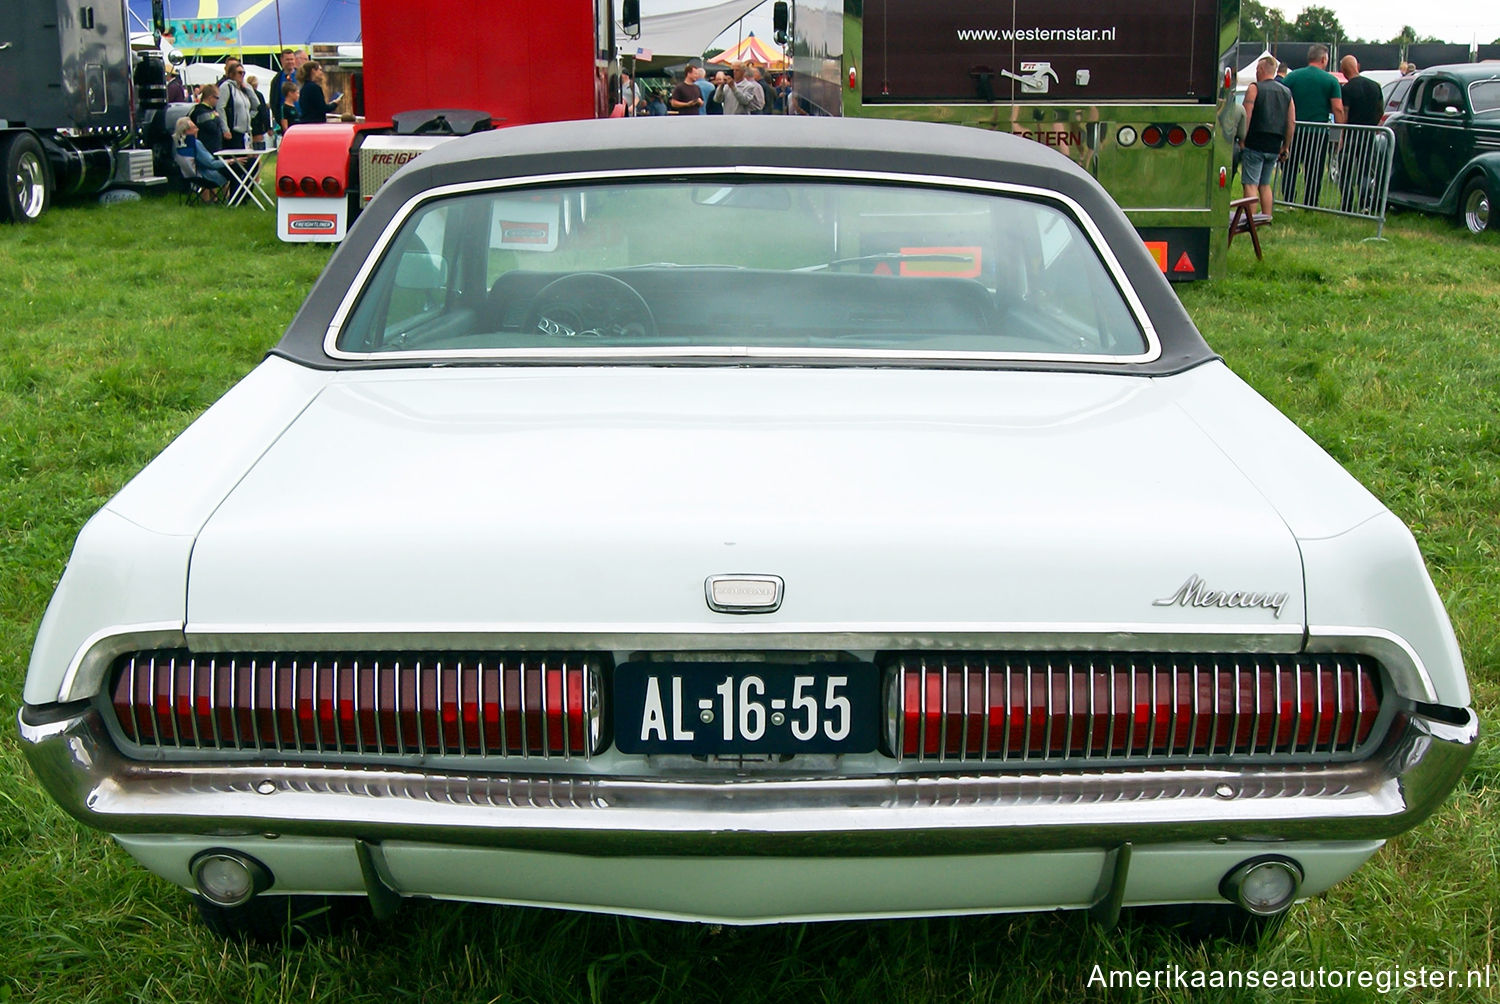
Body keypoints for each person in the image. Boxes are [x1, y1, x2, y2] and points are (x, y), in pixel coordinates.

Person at [1281, 44, 1344, 206]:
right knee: (1314, 169)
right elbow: (1337, 108)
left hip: (1293, 131)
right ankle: (1310, 202)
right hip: (1318, 133)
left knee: (1290, 167)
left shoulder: (1292, 77)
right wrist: (1340, 134)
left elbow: (1282, 101)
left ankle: (1288, 199)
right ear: (1323, 59)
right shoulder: (1331, 80)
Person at [1241, 55, 1294, 223]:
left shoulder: (1254, 88)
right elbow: (1291, 121)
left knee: (1250, 184)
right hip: (1274, 145)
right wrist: (1286, 146)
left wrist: (1242, 138)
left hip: (1254, 142)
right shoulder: (1287, 92)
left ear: (1262, 70)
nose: (1256, 73)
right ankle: (1267, 218)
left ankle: (1250, 221)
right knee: (1265, 184)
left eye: (1257, 70)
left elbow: (1246, 115)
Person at [1337, 55, 1384, 214]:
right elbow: (1380, 110)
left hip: (1351, 135)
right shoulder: (1375, 86)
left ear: (1343, 71)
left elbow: (1345, 113)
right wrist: (1374, 125)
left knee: (1345, 172)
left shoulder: (1347, 89)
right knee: (1365, 171)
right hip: (1369, 134)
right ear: (1357, 66)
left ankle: (1347, 203)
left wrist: (1341, 136)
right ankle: (1365, 203)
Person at [172, 116, 227, 199]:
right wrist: (229, 162)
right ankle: (232, 200)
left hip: (187, 176)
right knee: (232, 170)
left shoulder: (177, 144)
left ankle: (211, 200)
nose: (197, 129)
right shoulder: (195, 143)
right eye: (194, 128)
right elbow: (211, 164)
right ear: (186, 131)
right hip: (204, 177)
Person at [218, 62, 254, 149]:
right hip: (233, 131)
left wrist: (248, 88)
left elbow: (256, 105)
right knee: (238, 159)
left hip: (245, 132)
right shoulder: (226, 87)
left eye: (243, 73)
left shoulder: (242, 89)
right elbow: (220, 108)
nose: (242, 75)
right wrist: (225, 129)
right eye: (239, 72)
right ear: (232, 74)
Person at [188, 82, 229, 153]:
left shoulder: (210, 110)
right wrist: (217, 118)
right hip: (207, 149)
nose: (218, 100)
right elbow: (212, 128)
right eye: (217, 98)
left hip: (213, 148)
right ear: (210, 98)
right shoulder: (201, 111)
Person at [246, 75, 271, 149]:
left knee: (248, 147)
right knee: (257, 147)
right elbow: (264, 111)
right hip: (257, 124)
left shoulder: (244, 94)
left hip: (246, 122)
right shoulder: (259, 95)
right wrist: (268, 127)